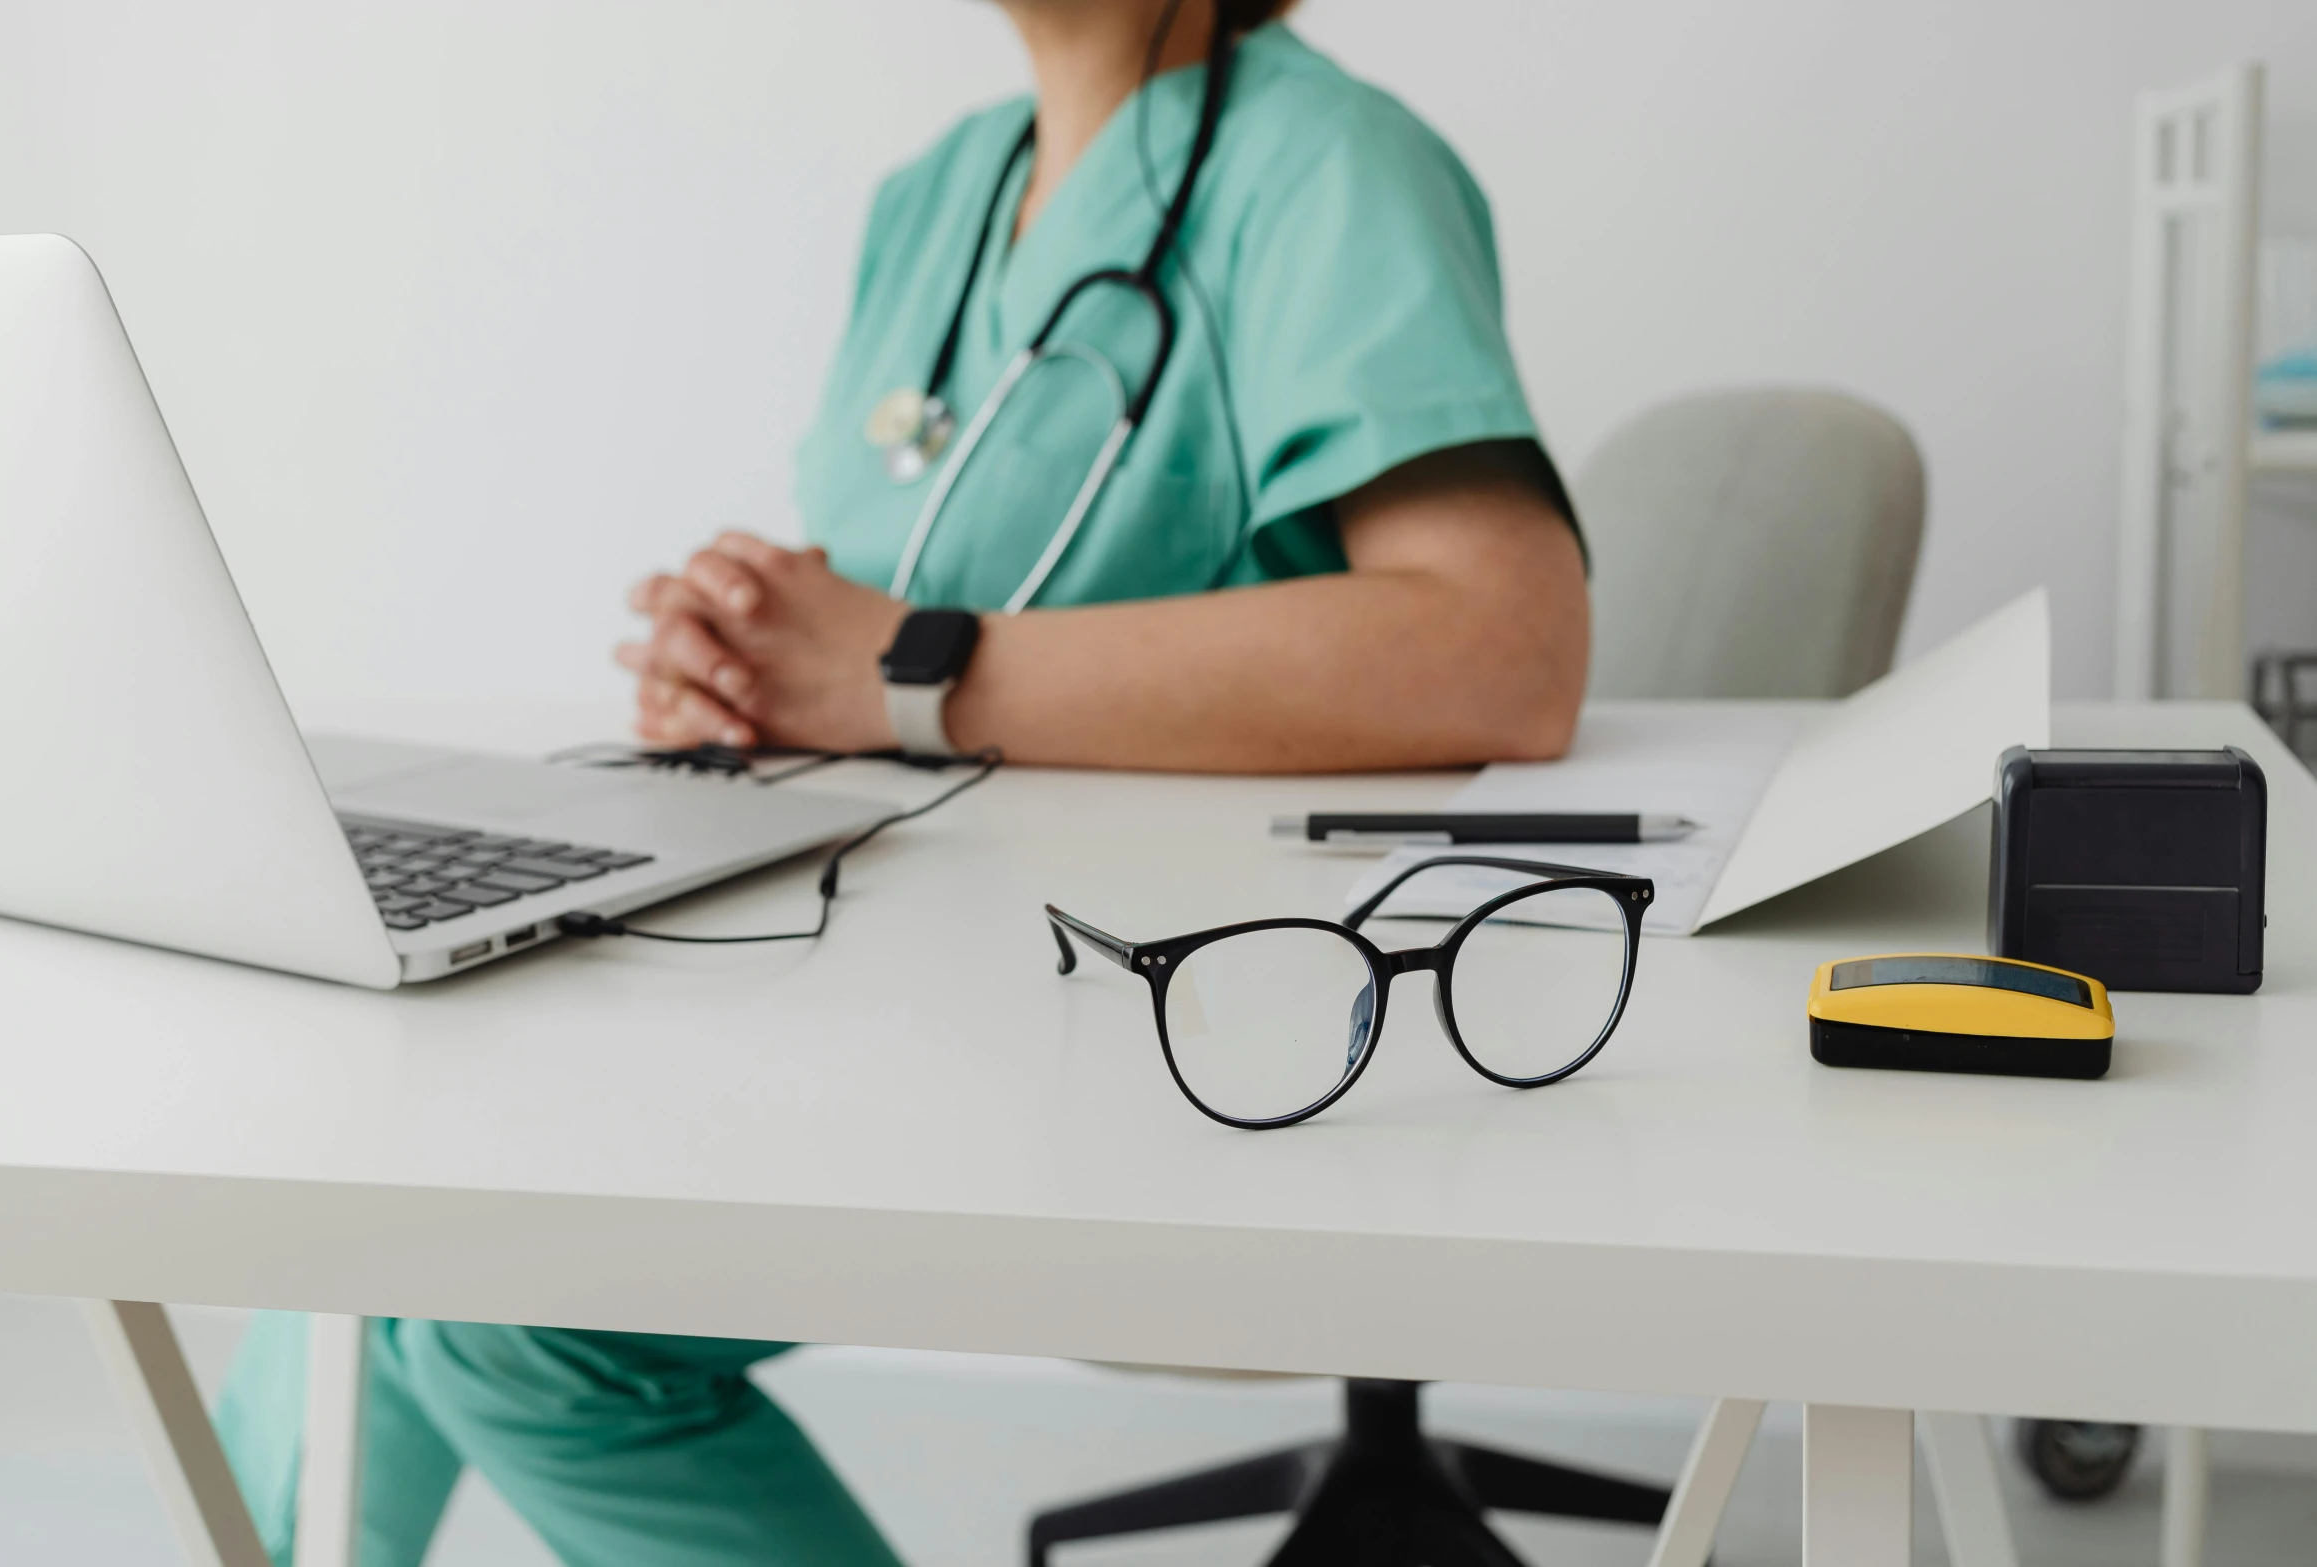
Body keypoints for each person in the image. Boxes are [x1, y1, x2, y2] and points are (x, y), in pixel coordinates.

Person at [215, 2, 1590, 1564]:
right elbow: (907, 609)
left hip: (1189, 1025)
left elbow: (1499, 652)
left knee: (510, 1320)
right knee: (407, 1195)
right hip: (923, 966)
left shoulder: (1332, 164)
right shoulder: (939, 193)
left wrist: (896, 667)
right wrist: (753, 671)